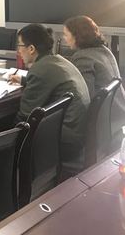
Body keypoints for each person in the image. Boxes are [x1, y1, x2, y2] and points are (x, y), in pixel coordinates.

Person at [10, 24, 90, 162]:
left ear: (31, 49)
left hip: (63, 140)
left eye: (20, 45)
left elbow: (25, 118)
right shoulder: (57, 60)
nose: (18, 51)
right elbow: (49, 80)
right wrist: (24, 80)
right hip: (75, 133)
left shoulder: (40, 70)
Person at [63, 15, 125, 139]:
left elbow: (84, 98)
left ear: (76, 36)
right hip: (121, 117)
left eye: (66, 35)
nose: (64, 39)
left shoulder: (82, 57)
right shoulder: (105, 50)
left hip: (103, 125)